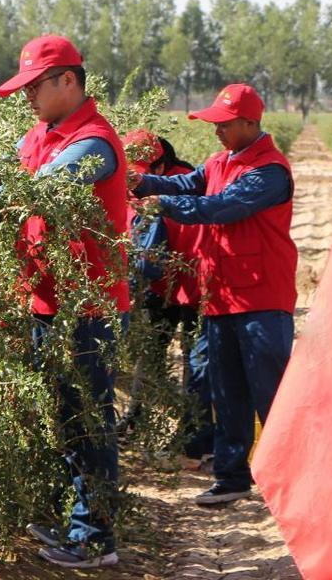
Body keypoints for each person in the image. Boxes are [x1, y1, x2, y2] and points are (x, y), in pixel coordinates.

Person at [0, 34, 128, 569]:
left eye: (34, 86)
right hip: (49, 302)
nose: (27, 96)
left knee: (91, 421)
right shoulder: (43, 135)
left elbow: (33, 188)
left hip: (86, 309)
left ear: (68, 81)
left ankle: (96, 539)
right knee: (70, 420)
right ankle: (79, 522)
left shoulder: (91, 144)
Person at [130, 83, 297, 506]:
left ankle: (294, 482)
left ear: (249, 123)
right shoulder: (220, 161)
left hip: (261, 299)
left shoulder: (269, 171)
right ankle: (232, 476)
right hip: (221, 294)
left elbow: (221, 206)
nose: (216, 131)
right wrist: (144, 182)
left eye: (223, 124)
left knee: (270, 394)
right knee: (228, 392)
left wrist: (161, 205)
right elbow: (189, 184)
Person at [119, 129, 213, 463]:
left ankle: (193, 438)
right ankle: (137, 418)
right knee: (151, 355)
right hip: (158, 287)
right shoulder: (136, 188)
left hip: (190, 288)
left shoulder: (185, 187)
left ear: (160, 166)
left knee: (194, 364)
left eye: (142, 172)